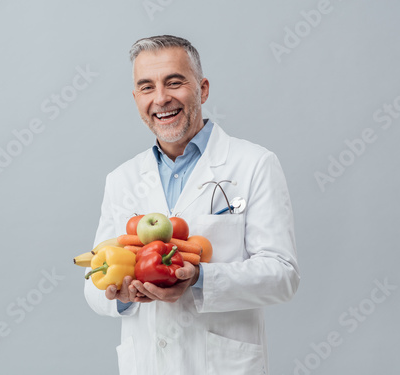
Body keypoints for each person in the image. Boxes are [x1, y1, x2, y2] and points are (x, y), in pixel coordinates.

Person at [84, 35, 300, 375]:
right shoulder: (121, 179)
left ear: (202, 89)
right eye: (146, 87)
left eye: (174, 82)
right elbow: (91, 284)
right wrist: (121, 295)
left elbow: (282, 275)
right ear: (135, 98)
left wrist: (201, 278)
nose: (161, 98)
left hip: (223, 365)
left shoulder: (255, 163)